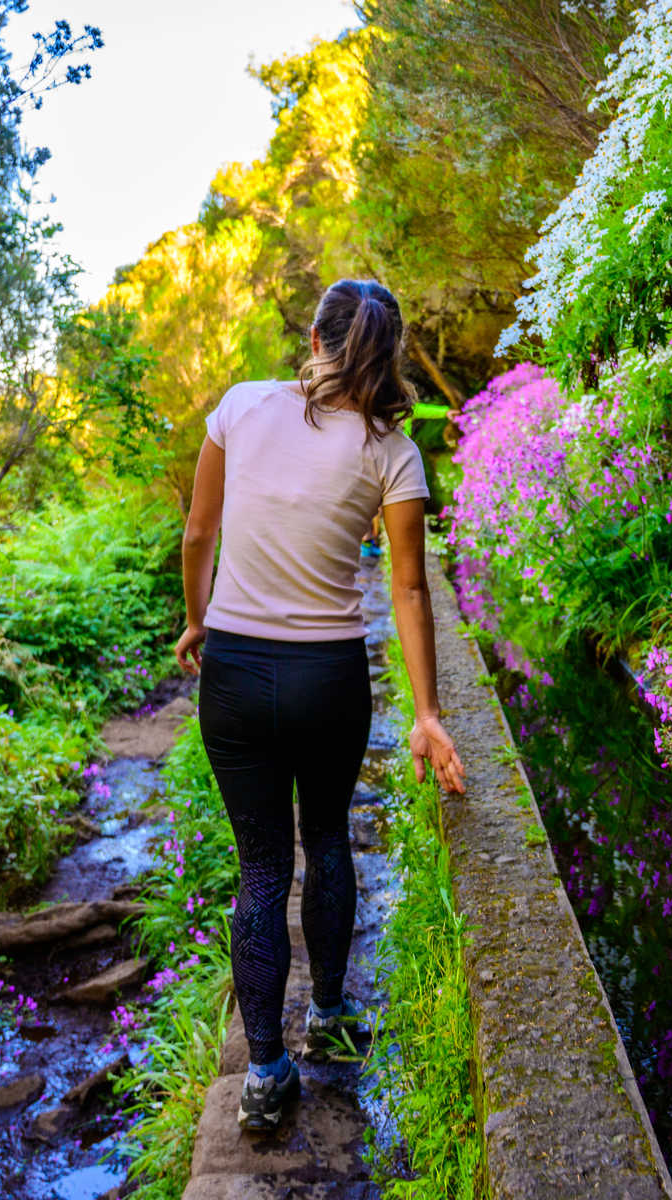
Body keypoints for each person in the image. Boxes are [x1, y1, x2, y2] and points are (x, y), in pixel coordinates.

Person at [174, 278, 467, 1135]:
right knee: (328, 838)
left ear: (315, 335)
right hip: (326, 678)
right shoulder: (391, 450)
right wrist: (428, 713)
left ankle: (263, 1076)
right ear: (389, 354)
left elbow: (199, 532)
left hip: (232, 673)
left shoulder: (239, 406)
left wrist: (198, 623)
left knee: (261, 869)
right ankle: (330, 1014)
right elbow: (407, 588)